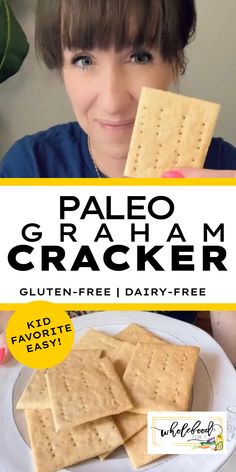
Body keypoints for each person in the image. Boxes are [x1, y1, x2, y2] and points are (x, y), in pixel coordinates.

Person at [0, 0, 236, 363]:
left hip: (179, 399)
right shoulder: (30, 170)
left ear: (175, 62)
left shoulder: (220, 172)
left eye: (139, 56)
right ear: (62, 68)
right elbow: (15, 331)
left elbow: (226, 367)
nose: (112, 101)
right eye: (83, 60)